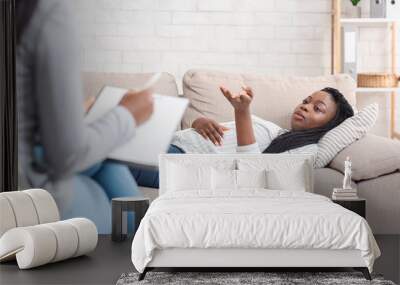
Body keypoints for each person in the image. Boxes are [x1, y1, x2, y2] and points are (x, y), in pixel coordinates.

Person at [16, 0, 153, 233]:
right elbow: (67, 154)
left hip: (34, 157)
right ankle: (143, 243)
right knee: (112, 166)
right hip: (30, 188)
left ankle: (142, 240)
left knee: (110, 161)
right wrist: (128, 116)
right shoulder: (47, 14)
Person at [131, 86, 354, 188]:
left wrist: (241, 111)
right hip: (170, 141)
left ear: (330, 125)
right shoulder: (277, 133)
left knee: (107, 154)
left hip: (180, 162)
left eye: (318, 108)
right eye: (306, 101)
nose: (305, 107)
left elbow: (252, 172)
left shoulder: (308, 151)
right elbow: (218, 137)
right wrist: (198, 122)